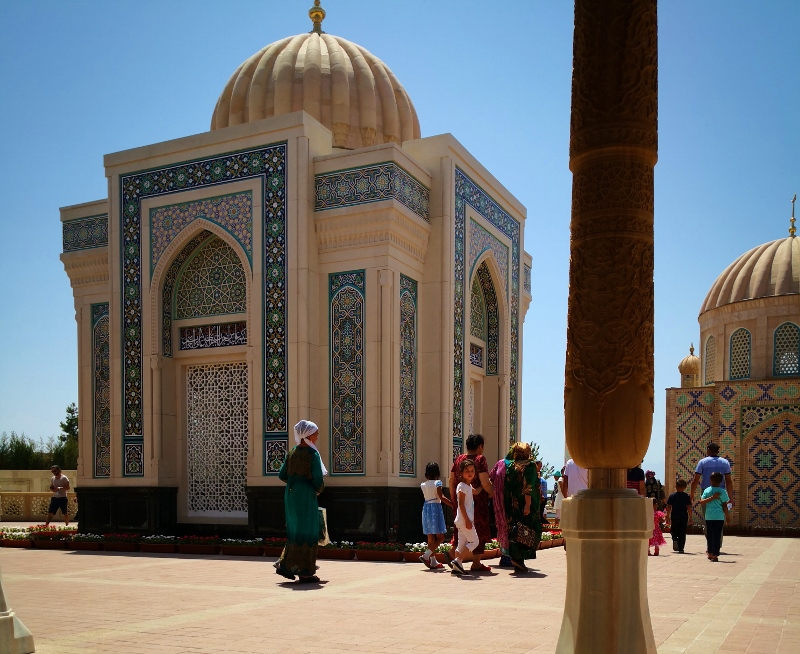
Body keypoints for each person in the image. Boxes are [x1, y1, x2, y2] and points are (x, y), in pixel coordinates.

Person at [275, 420, 327, 583]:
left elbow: (282, 475)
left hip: (291, 496)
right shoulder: (313, 454)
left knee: (295, 530)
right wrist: (317, 490)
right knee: (308, 531)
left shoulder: (291, 453)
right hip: (306, 496)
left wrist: (295, 482)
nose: (317, 437)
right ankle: (305, 572)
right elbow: (318, 479)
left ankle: (287, 565)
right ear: (308, 435)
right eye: (316, 434)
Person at [448, 434, 493, 571]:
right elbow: (485, 481)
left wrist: (453, 500)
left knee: (460, 535)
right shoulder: (480, 459)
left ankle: (455, 559)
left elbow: (451, 480)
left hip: (460, 501)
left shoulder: (459, 459)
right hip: (476, 504)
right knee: (477, 532)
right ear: (480, 446)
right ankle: (475, 562)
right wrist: (492, 492)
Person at [503, 442, 542, 573]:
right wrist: (528, 504)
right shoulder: (530, 466)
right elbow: (528, 487)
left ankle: (517, 559)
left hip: (512, 506)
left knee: (516, 530)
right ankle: (520, 559)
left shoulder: (511, 466)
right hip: (525, 504)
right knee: (531, 530)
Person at [449, 459, 483, 575]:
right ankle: (458, 561)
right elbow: (461, 504)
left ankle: (456, 568)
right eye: (467, 471)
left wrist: (484, 485)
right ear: (461, 473)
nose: (470, 473)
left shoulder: (468, 486)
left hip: (462, 520)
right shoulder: (462, 486)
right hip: (464, 520)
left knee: (461, 544)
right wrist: (467, 520)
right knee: (474, 542)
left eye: (472, 471)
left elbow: (476, 492)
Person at [419, 462, 452, 569]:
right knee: (440, 537)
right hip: (435, 509)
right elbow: (441, 497)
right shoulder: (437, 483)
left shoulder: (423, 485)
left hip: (426, 509)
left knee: (430, 536)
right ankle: (426, 555)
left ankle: (433, 561)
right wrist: (452, 504)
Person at [696, 472, 730, 562]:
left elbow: (701, 501)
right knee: (716, 536)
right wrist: (727, 516)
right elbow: (725, 505)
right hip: (718, 517)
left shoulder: (707, 490)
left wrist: (711, 498)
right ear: (721, 481)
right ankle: (714, 554)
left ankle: (711, 553)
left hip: (710, 517)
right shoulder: (722, 491)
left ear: (710, 481)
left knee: (710, 536)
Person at [489, 456, 511, 567]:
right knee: (506, 527)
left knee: (505, 527)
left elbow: (491, 478)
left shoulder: (501, 463)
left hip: (503, 502)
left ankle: (507, 555)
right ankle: (507, 556)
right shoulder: (509, 464)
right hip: (505, 502)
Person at [665, 479, 692, 554]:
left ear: (676, 486)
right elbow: (689, 507)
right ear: (684, 488)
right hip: (684, 516)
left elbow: (669, 507)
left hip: (675, 516)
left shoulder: (672, 496)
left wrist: (667, 516)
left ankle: (675, 539)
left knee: (674, 530)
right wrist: (691, 517)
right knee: (682, 532)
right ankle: (681, 548)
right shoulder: (686, 496)